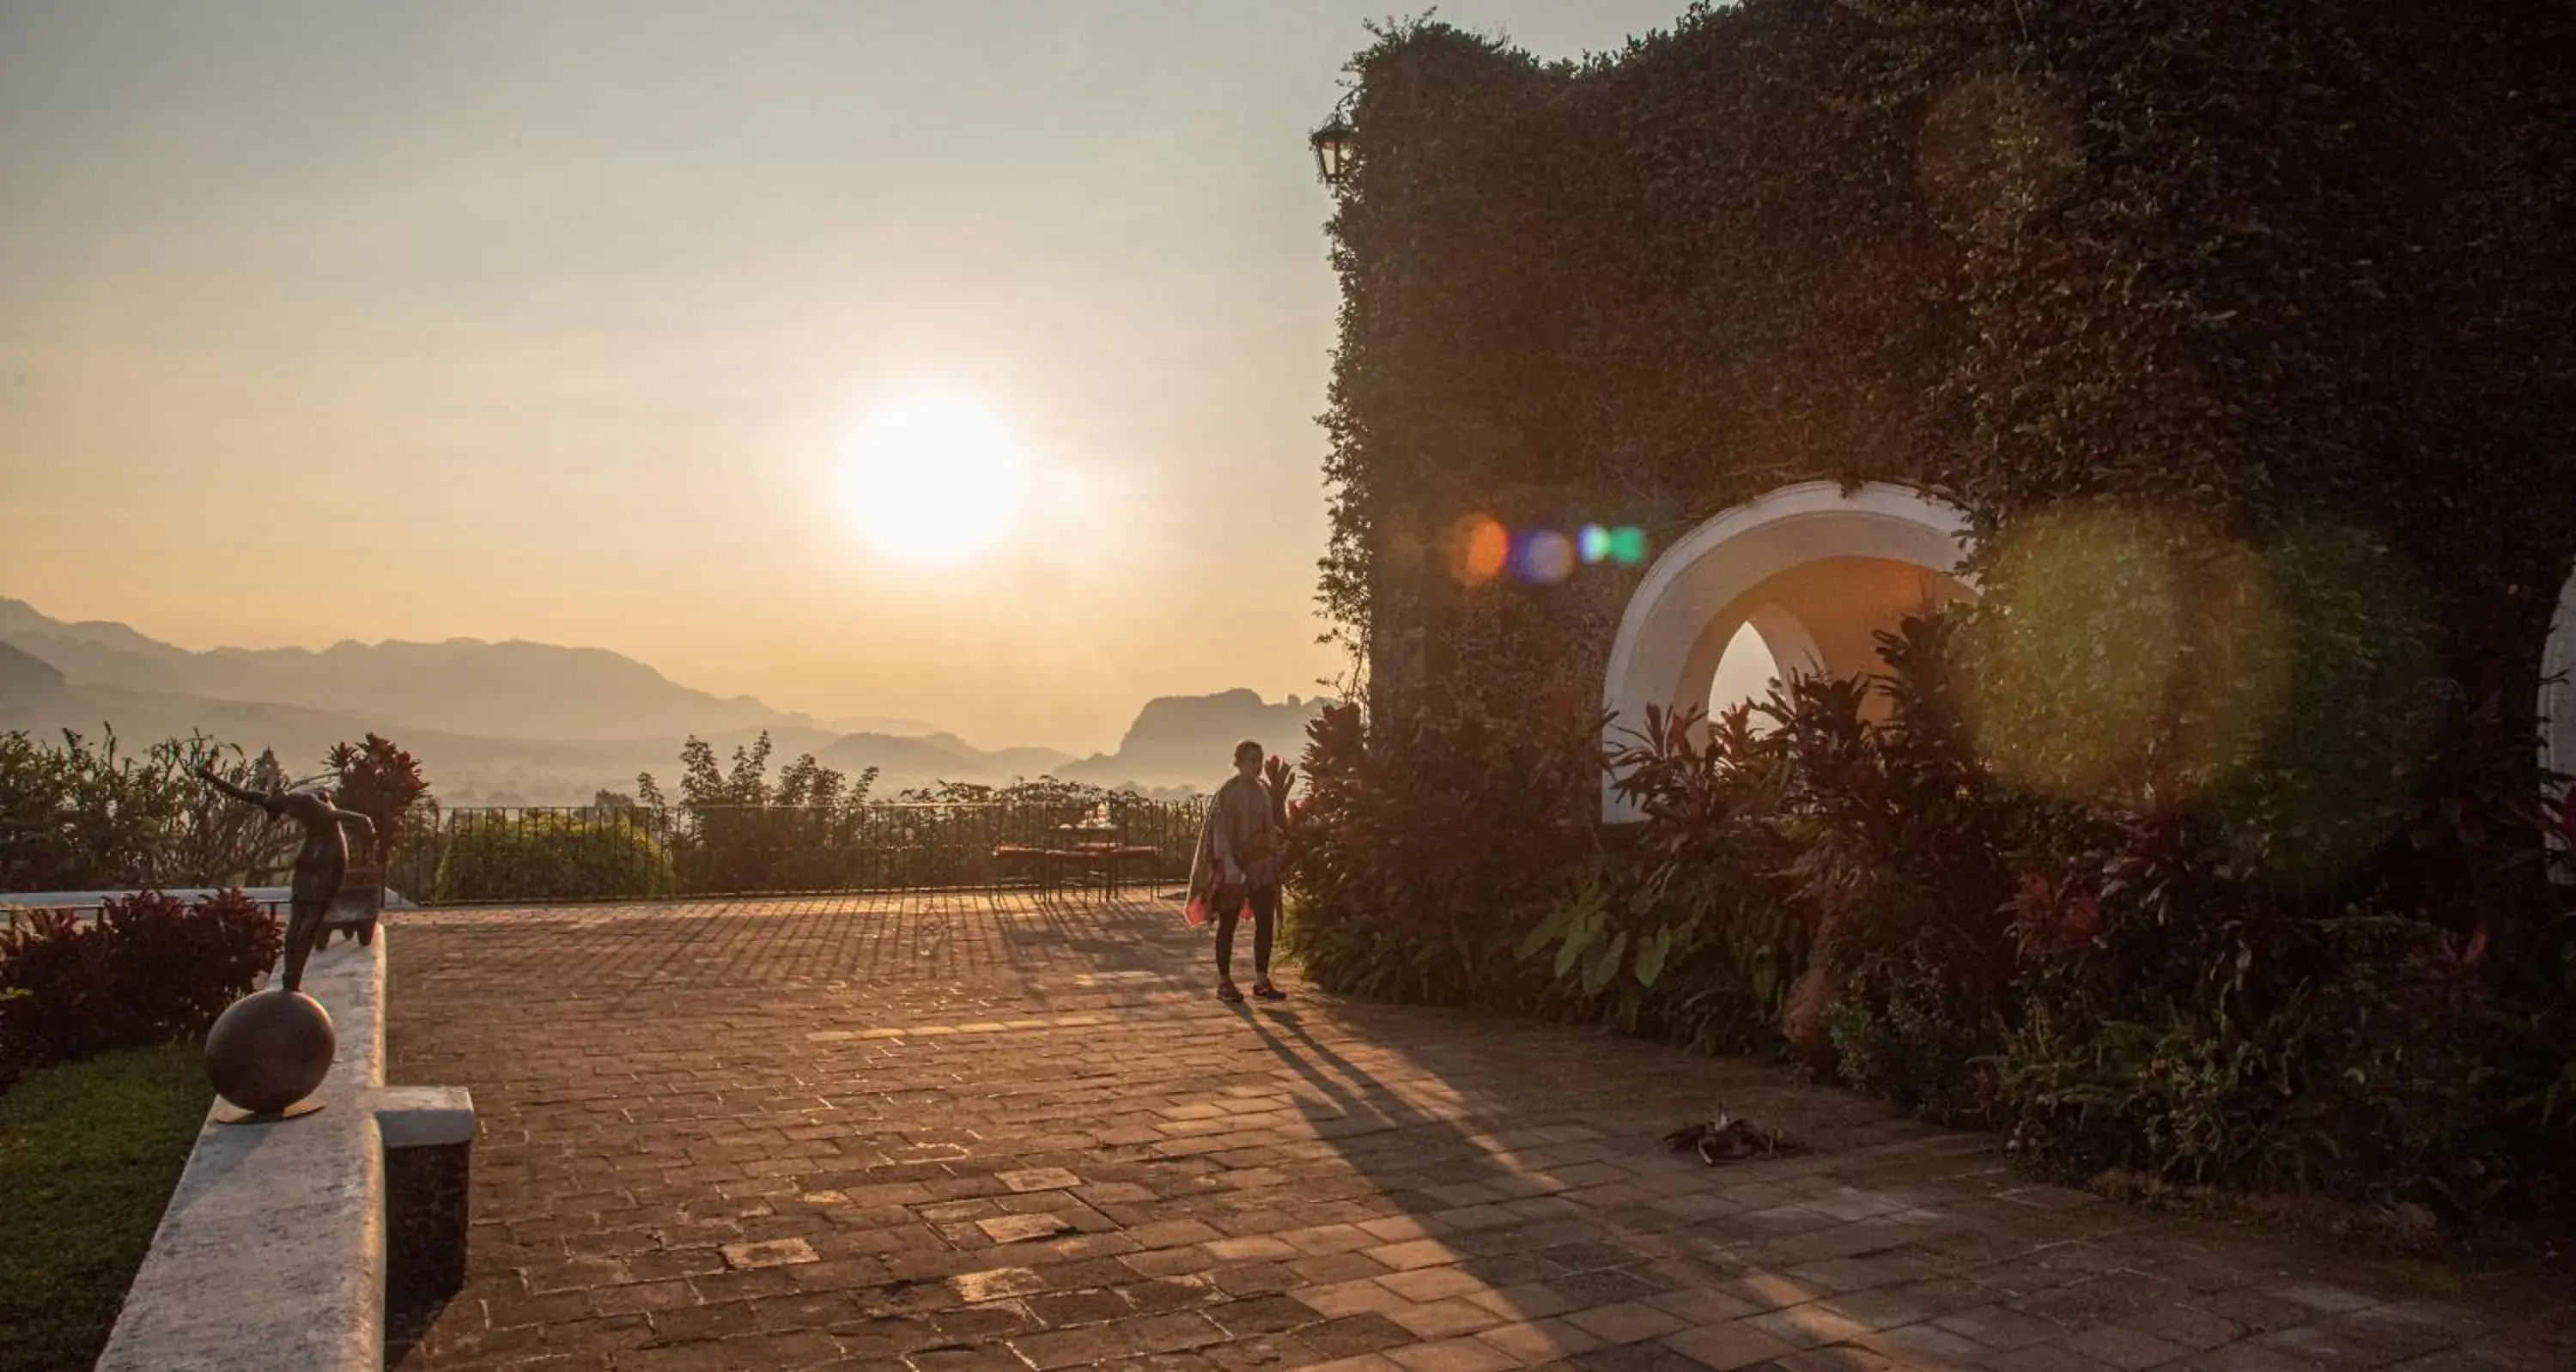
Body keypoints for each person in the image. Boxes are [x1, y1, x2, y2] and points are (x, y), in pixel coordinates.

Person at [197, 767, 374, 994]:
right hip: (312, 850)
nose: (276, 816)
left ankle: (294, 976)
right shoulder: (276, 801)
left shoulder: (305, 801)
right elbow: (240, 793)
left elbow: (336, 815)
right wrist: (209, 777)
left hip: (331, 853)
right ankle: (289, 978)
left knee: (308, 924)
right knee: (295, 923)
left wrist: (365, 822)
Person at [1190, 739, 1285, 1004]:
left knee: (1265, 921)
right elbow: (1220, 835)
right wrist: (1230, 866)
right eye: (1251, 760)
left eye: (1259, 760)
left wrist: (1273, 851)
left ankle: (1261, 980)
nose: (1256, 765)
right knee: (1228, 924)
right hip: (1233, 868)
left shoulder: (1263, 791)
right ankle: (1224, 981)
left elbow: (1269, 826)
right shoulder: (1227, 794)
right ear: (1239, 762)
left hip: (1261, 867)